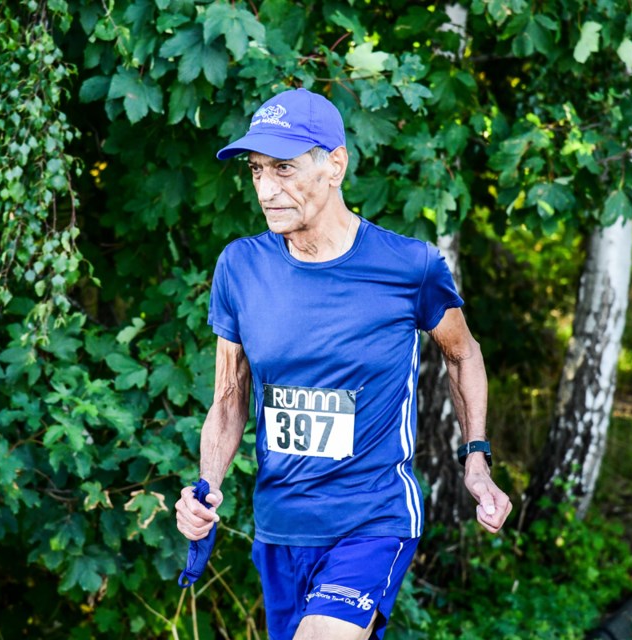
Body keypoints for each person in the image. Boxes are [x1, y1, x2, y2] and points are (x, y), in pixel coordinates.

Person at [175, 87, 512, 640]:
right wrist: (206, 486)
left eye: (283, 168)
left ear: (335, 164)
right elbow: (230, 396)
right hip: (281, 526)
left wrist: (475, 458)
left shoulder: (409, 267)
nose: (266, 188)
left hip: (373, 520)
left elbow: (462, 352)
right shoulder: (240, 266)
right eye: (257, 170)